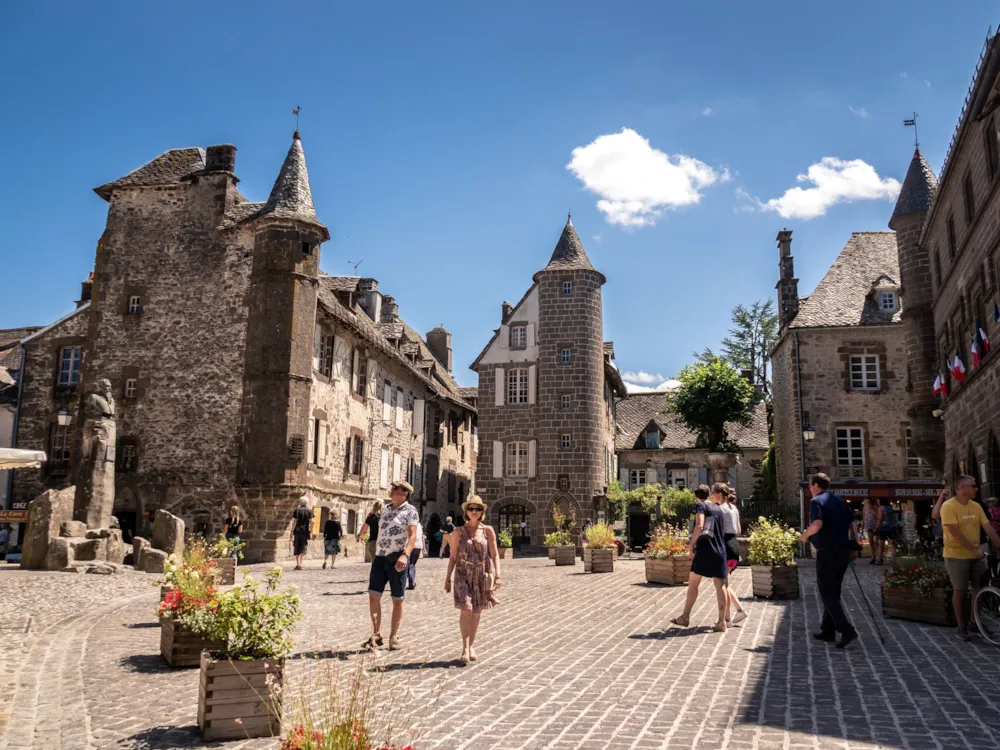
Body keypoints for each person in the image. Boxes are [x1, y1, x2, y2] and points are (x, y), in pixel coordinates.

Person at [800, 473, 858, 649]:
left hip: (828, 551)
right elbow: (853, 524)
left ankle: (846, 630)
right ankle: (828, 629)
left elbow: (817, 524)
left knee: (827, 593)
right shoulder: (840, 501)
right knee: (834, 590)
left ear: (816, 485)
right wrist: (855, 547)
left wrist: (804, 535)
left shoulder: (817, 501)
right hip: (844, 551)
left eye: (810, 486)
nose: (810, 489)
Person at [938, 476, 1000, 641]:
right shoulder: (948, 506)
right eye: (972, 486)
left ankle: (975, 622)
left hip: (976, 555)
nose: (976, 488)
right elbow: (954, 532)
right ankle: (961, 626)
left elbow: (988, 528)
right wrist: (972, 550)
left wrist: (998, 544)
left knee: (978, 589)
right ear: (961, 488)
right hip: (956, 556)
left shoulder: (976, 506)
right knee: (960, 590)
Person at [363, 481, 419, 651]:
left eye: (396, 489)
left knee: (397, 599)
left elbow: (412, 536)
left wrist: (405, 555)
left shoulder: (410, 511)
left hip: (397, 558)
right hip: (380, 557)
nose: (392, 491)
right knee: (374, 596)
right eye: (393, 488)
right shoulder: (385, 510)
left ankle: (393, 636)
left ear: (405, 494)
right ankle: (376, 634)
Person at [445, 496, 500, 662]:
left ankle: (471, 646)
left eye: (477, 509)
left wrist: (498, 574)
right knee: (466, 609)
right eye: (471, 509)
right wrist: (448, 577)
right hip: (462, 573)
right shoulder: (457, 532)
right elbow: (453, 556)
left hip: (481, 574)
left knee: (476, 612)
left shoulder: (487, 530)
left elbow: (495, 553)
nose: (474, 511)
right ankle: (464, 646)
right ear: (466, 512)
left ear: (482, 512)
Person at [671, 484, 730, 633]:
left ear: (696, 496)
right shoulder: (718, 508)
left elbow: (699, 525)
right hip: (720, 548)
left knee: (693, 584)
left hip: (705, 550)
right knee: (721, 585)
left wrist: (691, 545)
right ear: (709, 493)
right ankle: (722, 622)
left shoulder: (700, 505)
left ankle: (685, 617)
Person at [719, 487, 748, 626]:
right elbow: (738, 531)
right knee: (725, 584)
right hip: (735, 547)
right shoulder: (735, 510)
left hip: (725, 547)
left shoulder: (721, 509)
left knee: (722, 585)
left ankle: (727, 618)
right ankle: (739, 610)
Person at [291, 497, 313, 571]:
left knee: (296, 547)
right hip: (305, 532)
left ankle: (298, 564)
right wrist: (311, 531)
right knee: (303, 548)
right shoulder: (309, 510)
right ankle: (301, 564)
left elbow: (294, 522)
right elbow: (312, 521)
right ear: (306, 502)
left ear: (301, 502)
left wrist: (291, 531)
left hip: (297, 531)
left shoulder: (297, 510)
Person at [873, 497, 896, 565]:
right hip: (891, 527)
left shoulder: (880, 508)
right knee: (892, 545)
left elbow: (879, 519)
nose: (877, 503)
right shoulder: (890, 508)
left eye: (878, 501)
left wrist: (876, 528)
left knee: (881, 544)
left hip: (883, 528)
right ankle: (893, 560)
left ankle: (879, 559)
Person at [406, 518, 424, 590]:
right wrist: (423, 548)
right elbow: (422, 536)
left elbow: (409, 535)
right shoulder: (419, 525)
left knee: (410, 564)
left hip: (412, 545)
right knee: (412, 564)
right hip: (419, 546)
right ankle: (412, 581)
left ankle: (411, 583)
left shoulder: (411, 525)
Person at [862, 497, 879, 564]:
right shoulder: (864, 508)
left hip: (875, 526)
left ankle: (878, 556)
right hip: (869, 526)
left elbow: (878, 516)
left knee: (877, 542)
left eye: (867, 502)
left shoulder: (874, 507)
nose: (866, 503)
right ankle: (873, 557)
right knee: (871, 542)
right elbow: (864, 517)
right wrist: (863, 526)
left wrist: (872, 510)